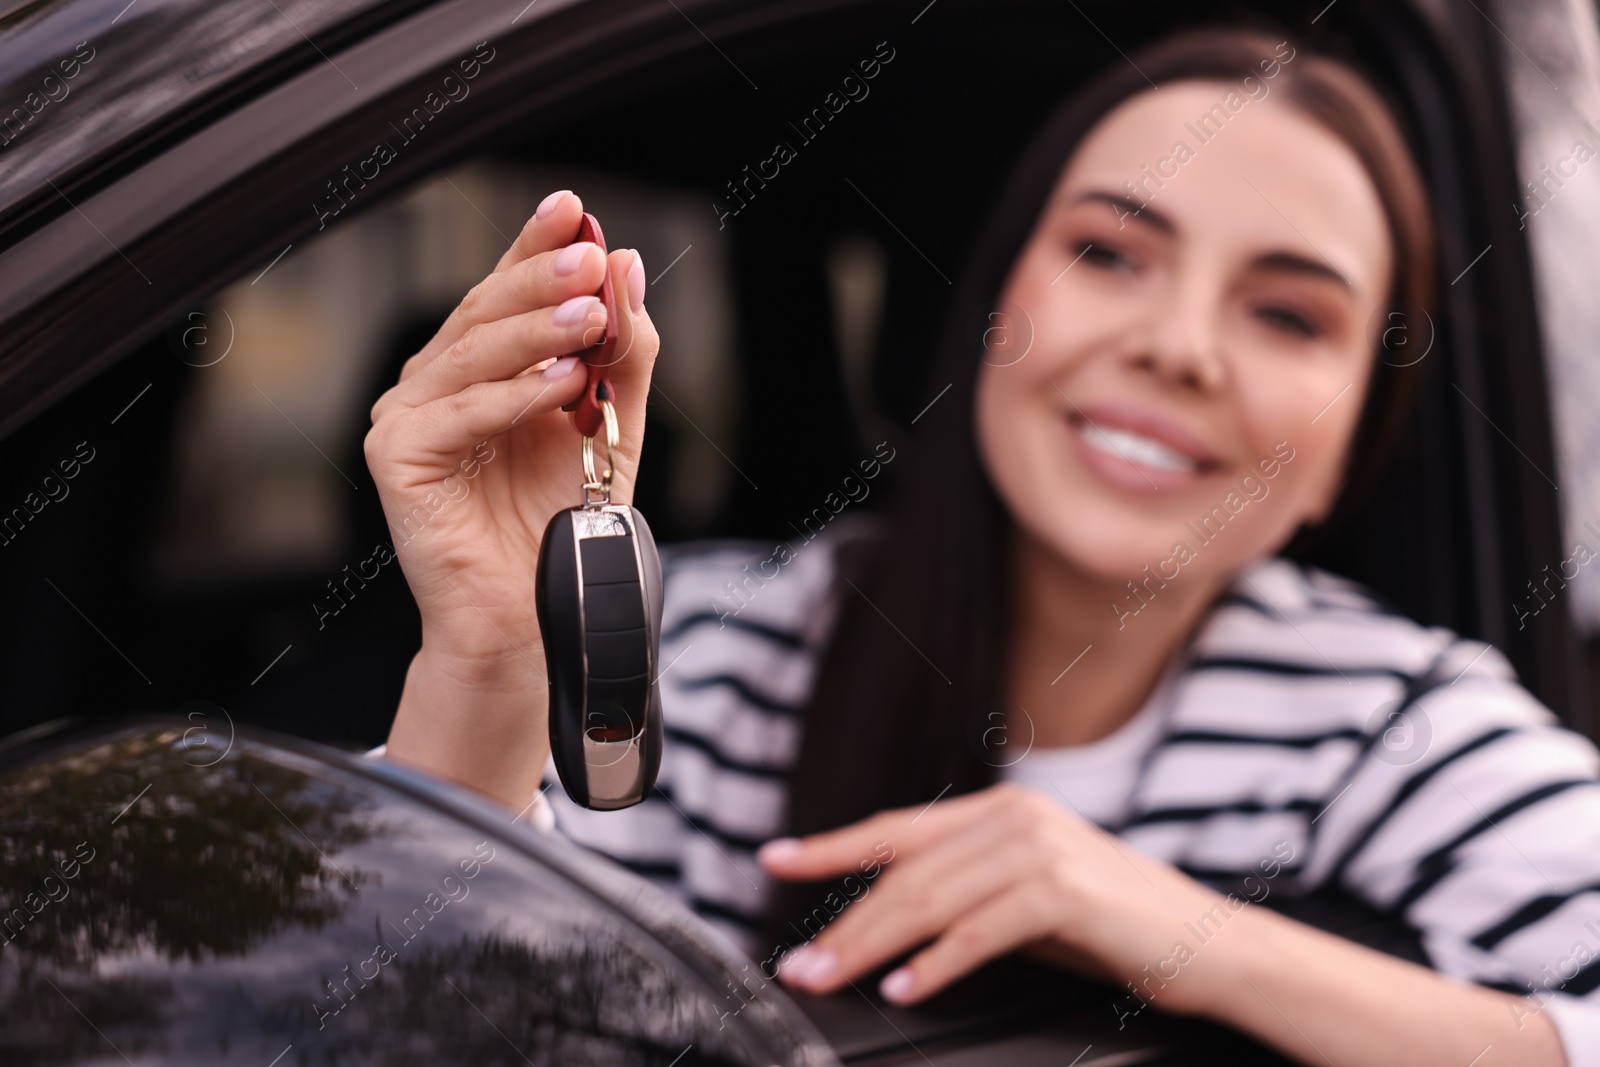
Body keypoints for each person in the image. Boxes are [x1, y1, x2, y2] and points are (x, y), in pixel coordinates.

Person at [362, 26, 1600, 1066]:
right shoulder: (703, 648)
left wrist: (1171, 930)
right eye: (1109, 252)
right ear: (988, 311)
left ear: (1353, 438)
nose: (1181, 346)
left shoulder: (1384, 718)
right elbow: (365, 1012)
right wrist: (494, 662)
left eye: (1287, 312)